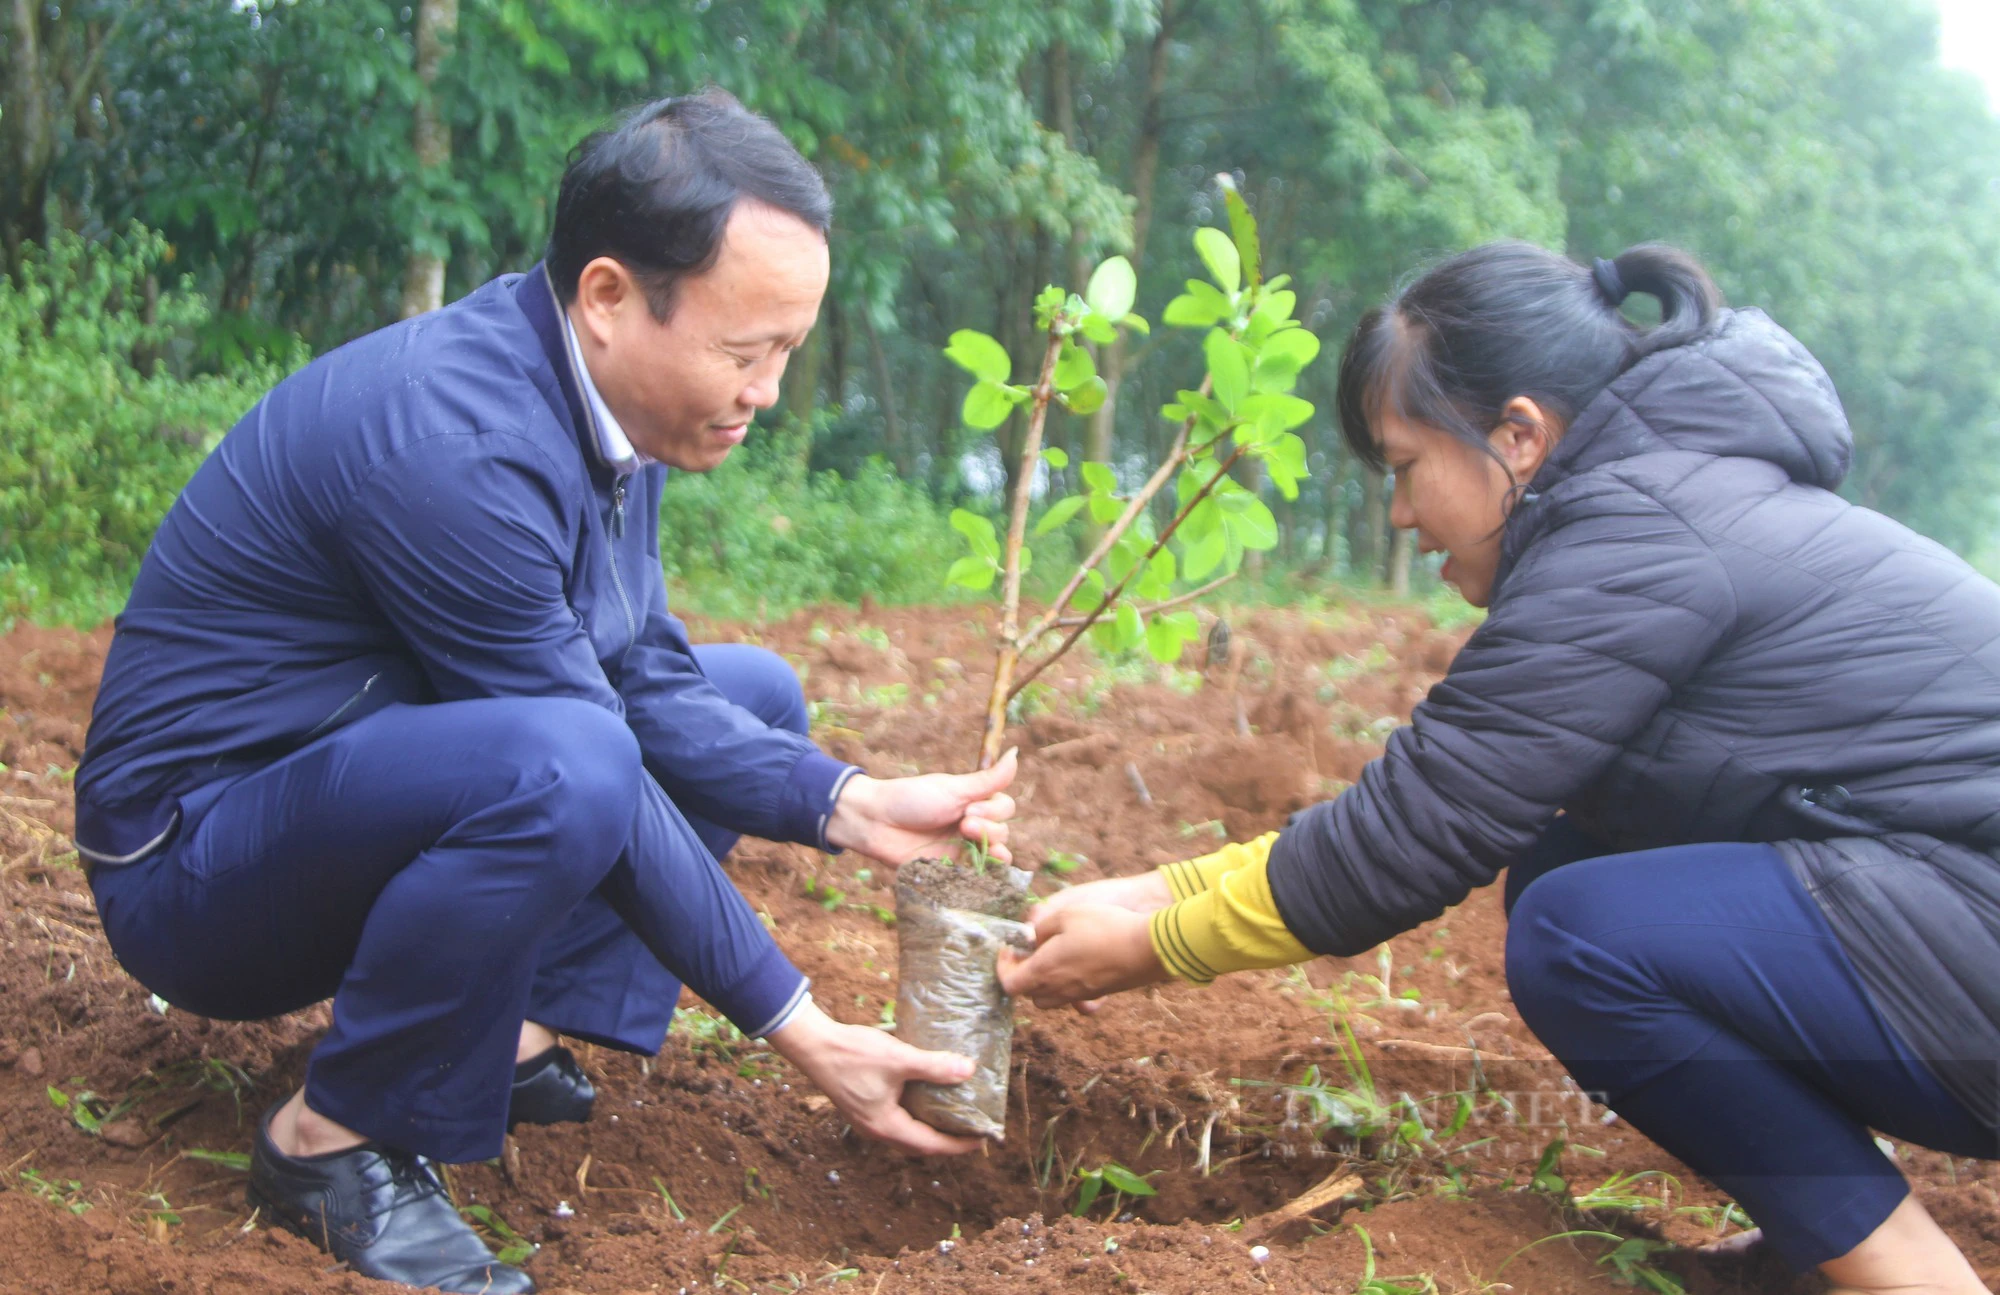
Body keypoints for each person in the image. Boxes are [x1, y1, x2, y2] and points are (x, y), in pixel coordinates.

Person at [75, 91, 1013, 1295]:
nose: (766, 392)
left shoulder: (610, 405)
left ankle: (499, 1023)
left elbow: (642, 671)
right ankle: (331, 1139)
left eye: (786, 350)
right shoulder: (453, 442)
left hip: (347, 775)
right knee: (572, 765)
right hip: (200, 865)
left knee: (757, 695)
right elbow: (596, 757)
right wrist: (800, 1026)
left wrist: (846, 802)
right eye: (745, 351)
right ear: (611, 297)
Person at [999, 241, 2000, 1295]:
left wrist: (1156, 940)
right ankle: (1818, 1239)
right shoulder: (1669, 498)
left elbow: (1414, 831)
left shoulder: (1639, 529)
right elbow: (1443, 798)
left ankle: (1906, 1275)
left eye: (1401, 466)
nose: (1397, 513)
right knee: (1563, 860)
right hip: (1956, 913)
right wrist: (1153, 889)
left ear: (1516, 434)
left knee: (1581, 937)